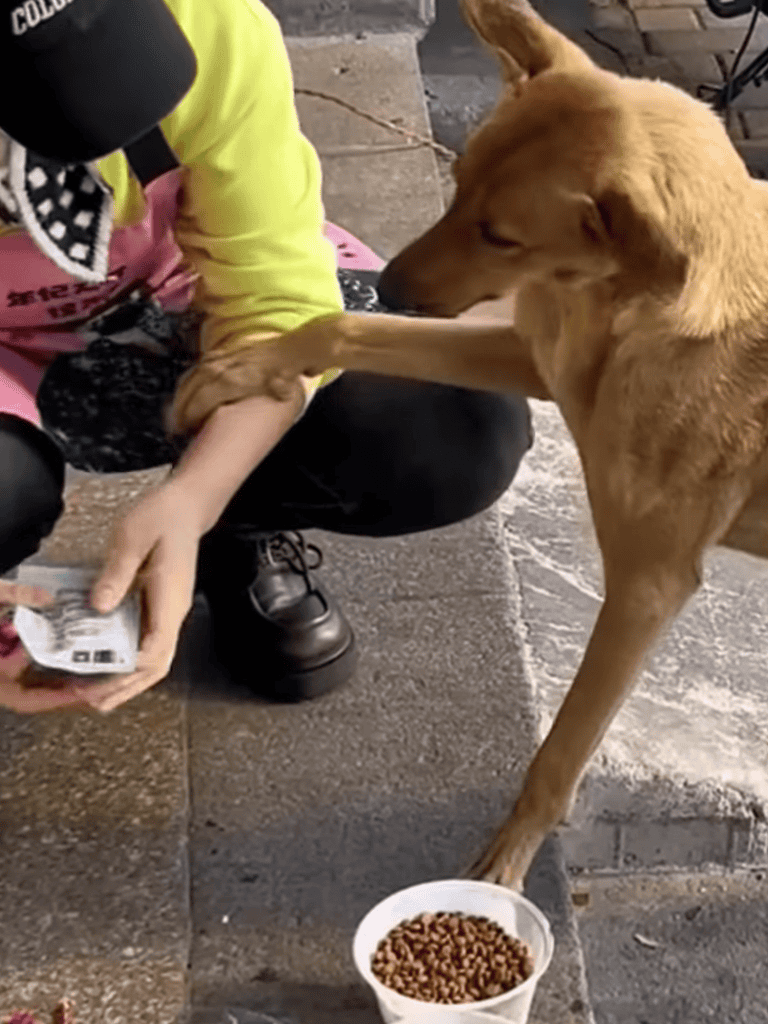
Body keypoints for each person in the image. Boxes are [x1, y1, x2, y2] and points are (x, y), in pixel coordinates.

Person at [0, 0, 532, 716]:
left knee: (453, 422)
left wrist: (196, 498)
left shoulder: (204, 20)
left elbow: (274, 303)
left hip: (183, 283)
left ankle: (237, 525)